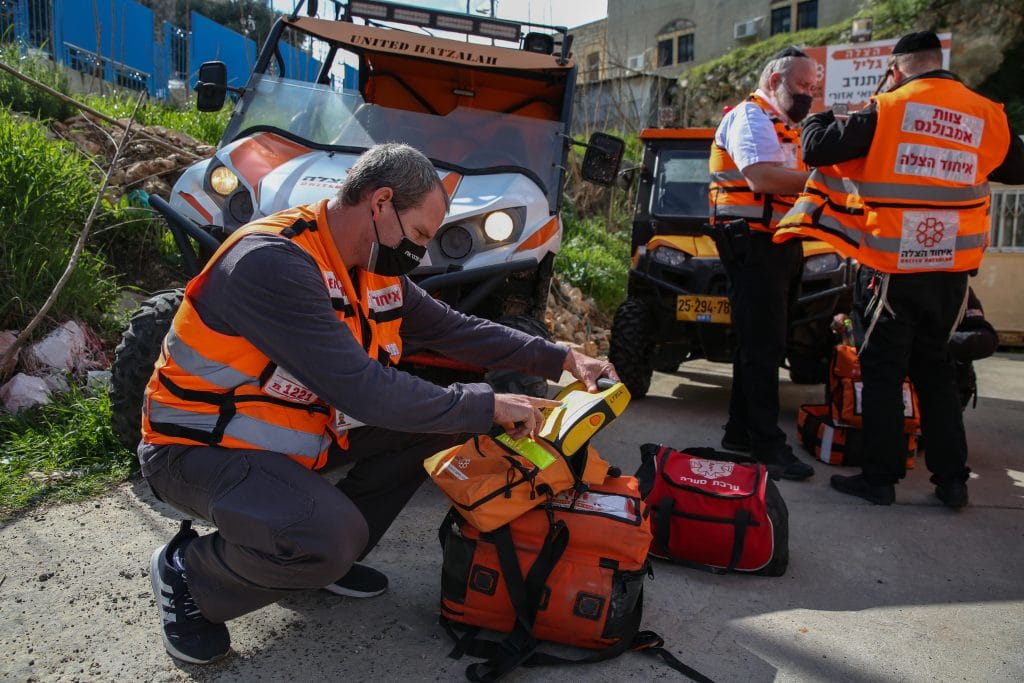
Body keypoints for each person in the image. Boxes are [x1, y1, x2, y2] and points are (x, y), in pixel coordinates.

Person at [138, 143, 619, 664]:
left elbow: (453, 330)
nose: (418, 252)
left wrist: (561, 357)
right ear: (380, 201)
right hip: (195, 448)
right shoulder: (272, 262)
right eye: (417, 235)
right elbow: (362, 389)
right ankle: (190, 572)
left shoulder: (370, 267)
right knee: (327, 533)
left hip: (287, 436)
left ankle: (322, 558)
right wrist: (488, 405)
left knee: (433, 429)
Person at [774, 31, 1024, 507]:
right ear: (939, 62)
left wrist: (822, 116)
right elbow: (1016, 168)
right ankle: (952, 482)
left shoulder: (889, 107)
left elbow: (818, 150)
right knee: (937, 370)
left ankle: (881, 479)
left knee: (884, 373)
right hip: (952, 270)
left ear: (897, 68)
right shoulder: (985, 112)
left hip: (893, 266)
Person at [708, 46, 818, 480]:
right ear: (775, 80)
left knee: (757, 344)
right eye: (802, 85)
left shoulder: (786, 126)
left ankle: (740, 433)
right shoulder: (751, 118)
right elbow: (762, 177)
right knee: (762, 346)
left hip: (776, 243)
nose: (809, 93)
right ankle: (767, 445)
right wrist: (823, 182)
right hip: (753, 245)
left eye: (813, 86)